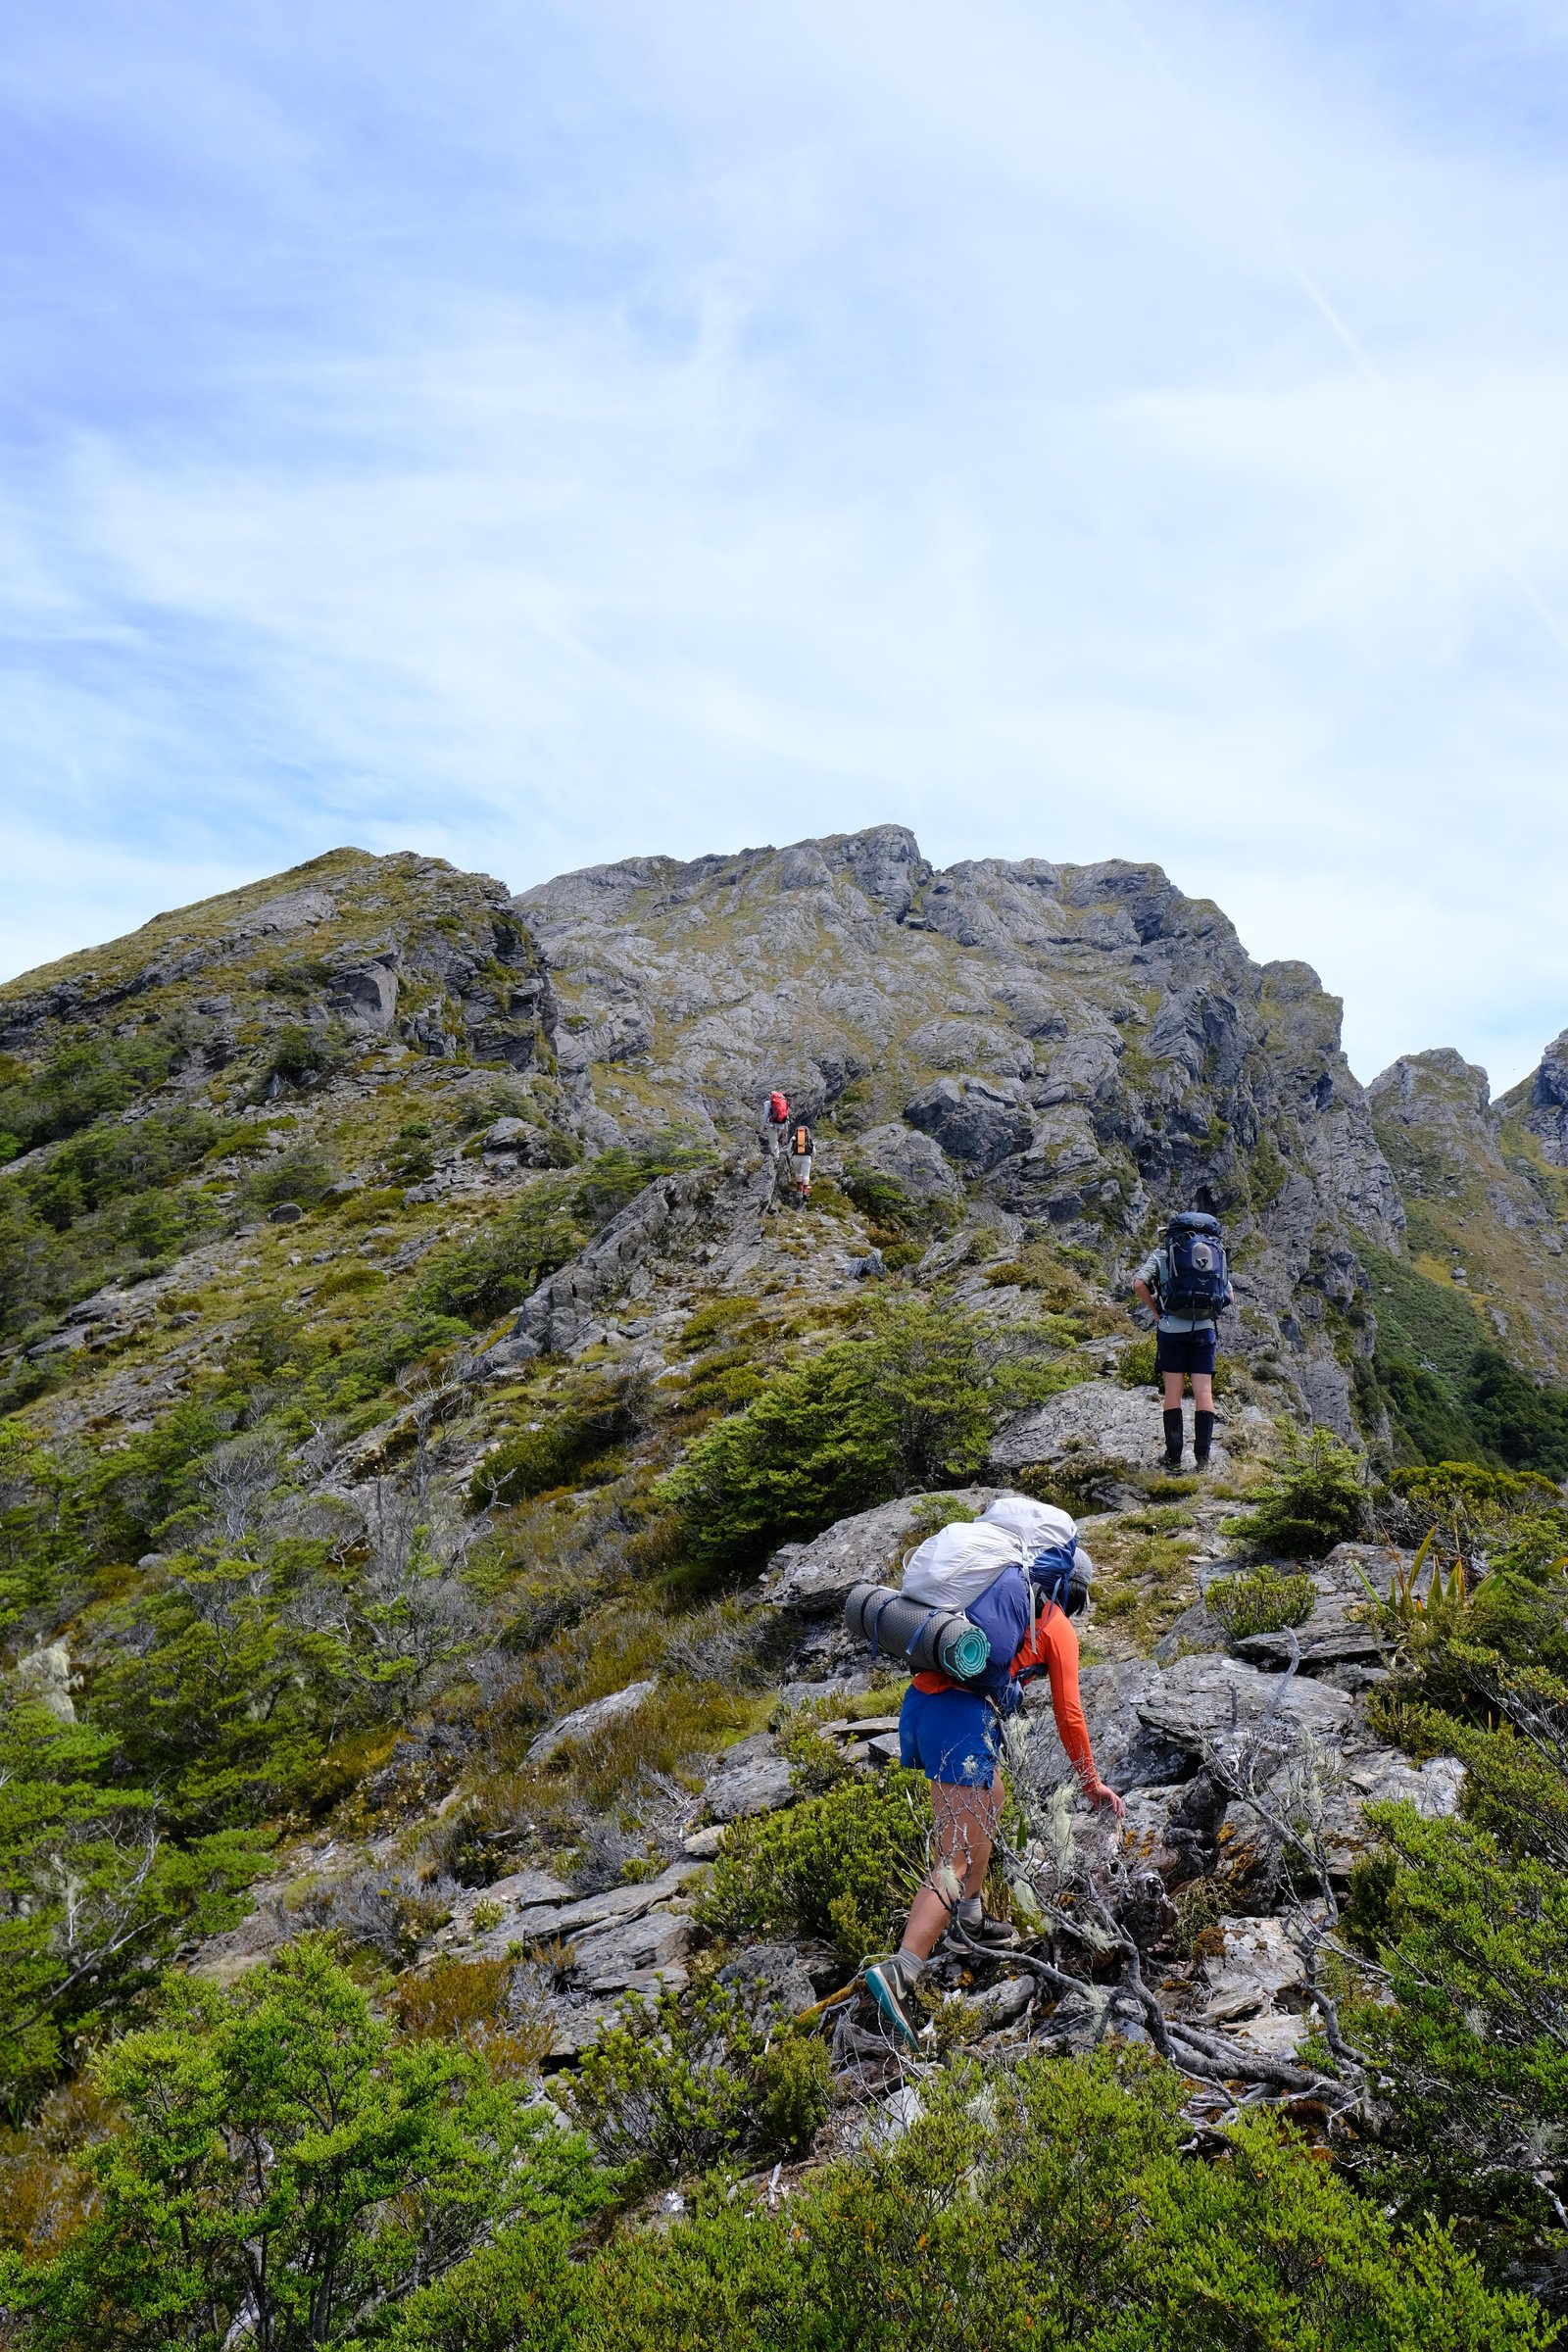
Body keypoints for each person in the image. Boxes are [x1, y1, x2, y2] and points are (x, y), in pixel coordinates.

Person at [863, 1494, 1124, 2049]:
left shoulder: (984, 1603)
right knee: (954, 1855)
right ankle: (901, 1971)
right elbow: (1070, 1714)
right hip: (961, 1724)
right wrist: (1091, 1783)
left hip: (924, 1709)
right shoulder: (1054, 1628)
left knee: (993, 1796)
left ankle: (970, 1922)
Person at [1133, 1210, 1234, 1470]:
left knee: (1173, 1392)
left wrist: (1157, 1313)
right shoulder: (1215, 1254)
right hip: (1204, 1330)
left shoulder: (1163, 1254)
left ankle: (1174, 1457)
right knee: (1204, 1391)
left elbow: (1138, 1284)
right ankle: (1202, 1459)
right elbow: (1229, 1296)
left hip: (1170, 1330)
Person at [786, 1114, 813, 1203]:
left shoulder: (794, 1138)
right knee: (806, 1175)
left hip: (796, 1157)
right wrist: (812, 1158)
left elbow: (789, 1149)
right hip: (806, 1158)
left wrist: (790, 1156)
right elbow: (814, 1151)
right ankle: (805, 1191)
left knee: (798, 1173)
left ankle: (798, 1189)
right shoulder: (809, 1138)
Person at [760, 1089, 790, 1160]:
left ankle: (773, 1159)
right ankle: (777, 1156)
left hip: (772, 1124)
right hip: (781, 1125)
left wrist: (763, 1124)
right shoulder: (784, 1102)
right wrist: (785, 1131)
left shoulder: (768, 1103)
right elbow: (786, 1116)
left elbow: (766, 1114)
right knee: (776, 1140)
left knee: (772, 1142)